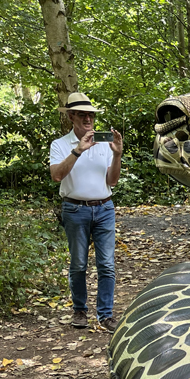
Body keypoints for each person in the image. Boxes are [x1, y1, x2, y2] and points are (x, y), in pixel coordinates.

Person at [49, 92, 124, 332]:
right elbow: (57, 175)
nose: (88, 119)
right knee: (78, 264)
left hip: (104, 208)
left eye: (91, 115)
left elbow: (111, 182)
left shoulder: (104, 144)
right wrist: (78, 150)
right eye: (82, 114)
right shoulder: (60, 145)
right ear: (71, 116)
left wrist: (117, 154)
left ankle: (106, 315)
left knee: (107, 264)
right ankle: (79, 311)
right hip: (74, 209)